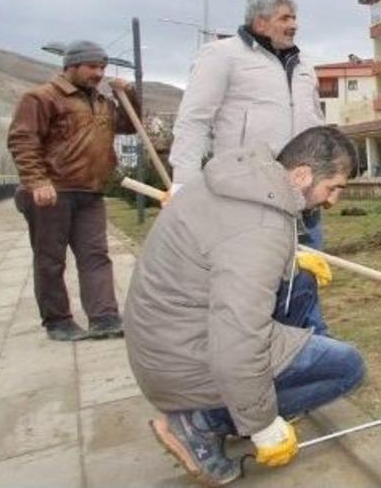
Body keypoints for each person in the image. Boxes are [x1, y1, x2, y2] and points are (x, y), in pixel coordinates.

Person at [124, 126, 364, 485]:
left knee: (299, 284)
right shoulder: (261, 228)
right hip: (184, 357)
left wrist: (292, 261)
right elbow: (238, 342)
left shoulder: (242, 182)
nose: (332, 202)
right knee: (348, 367)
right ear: (301, 174)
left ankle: (224, 405)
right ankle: (201, 422)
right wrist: (262, 424)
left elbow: (225, 252)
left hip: (165, 338)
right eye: (333, 188)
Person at [168, 0, 327, 248]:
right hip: (247, 191)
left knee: (307, 273)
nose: (293, 25)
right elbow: (194, 120)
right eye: (285, 18)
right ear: (260, 22)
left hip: (302, 191)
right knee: (253, 275)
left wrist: (324, 175)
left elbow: (317, 123)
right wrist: (183, 181)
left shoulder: (303, 65)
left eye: (294, 18)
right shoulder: (221, 55)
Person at [7, 40, 140, 341]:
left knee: (96, 256)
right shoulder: (41, 98)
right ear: (71, 66)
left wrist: (129, 94)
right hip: (52, 191)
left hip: (90, 191)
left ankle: (104, 317)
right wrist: (37, 181)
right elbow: (22, 141)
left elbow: (131, 126)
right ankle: (58, 321)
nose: (99, 73)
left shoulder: (102, 102)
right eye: (92, 66)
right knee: (50, 259)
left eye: (103, 68)